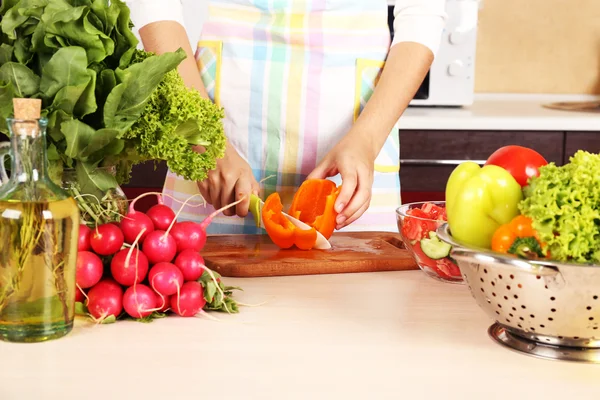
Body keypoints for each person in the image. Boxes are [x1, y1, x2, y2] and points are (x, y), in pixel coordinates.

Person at [127, 0, 447, 234]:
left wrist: (368, 137)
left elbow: (423, 11)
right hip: (219, 138)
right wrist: (200, 135)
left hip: (356, 141)